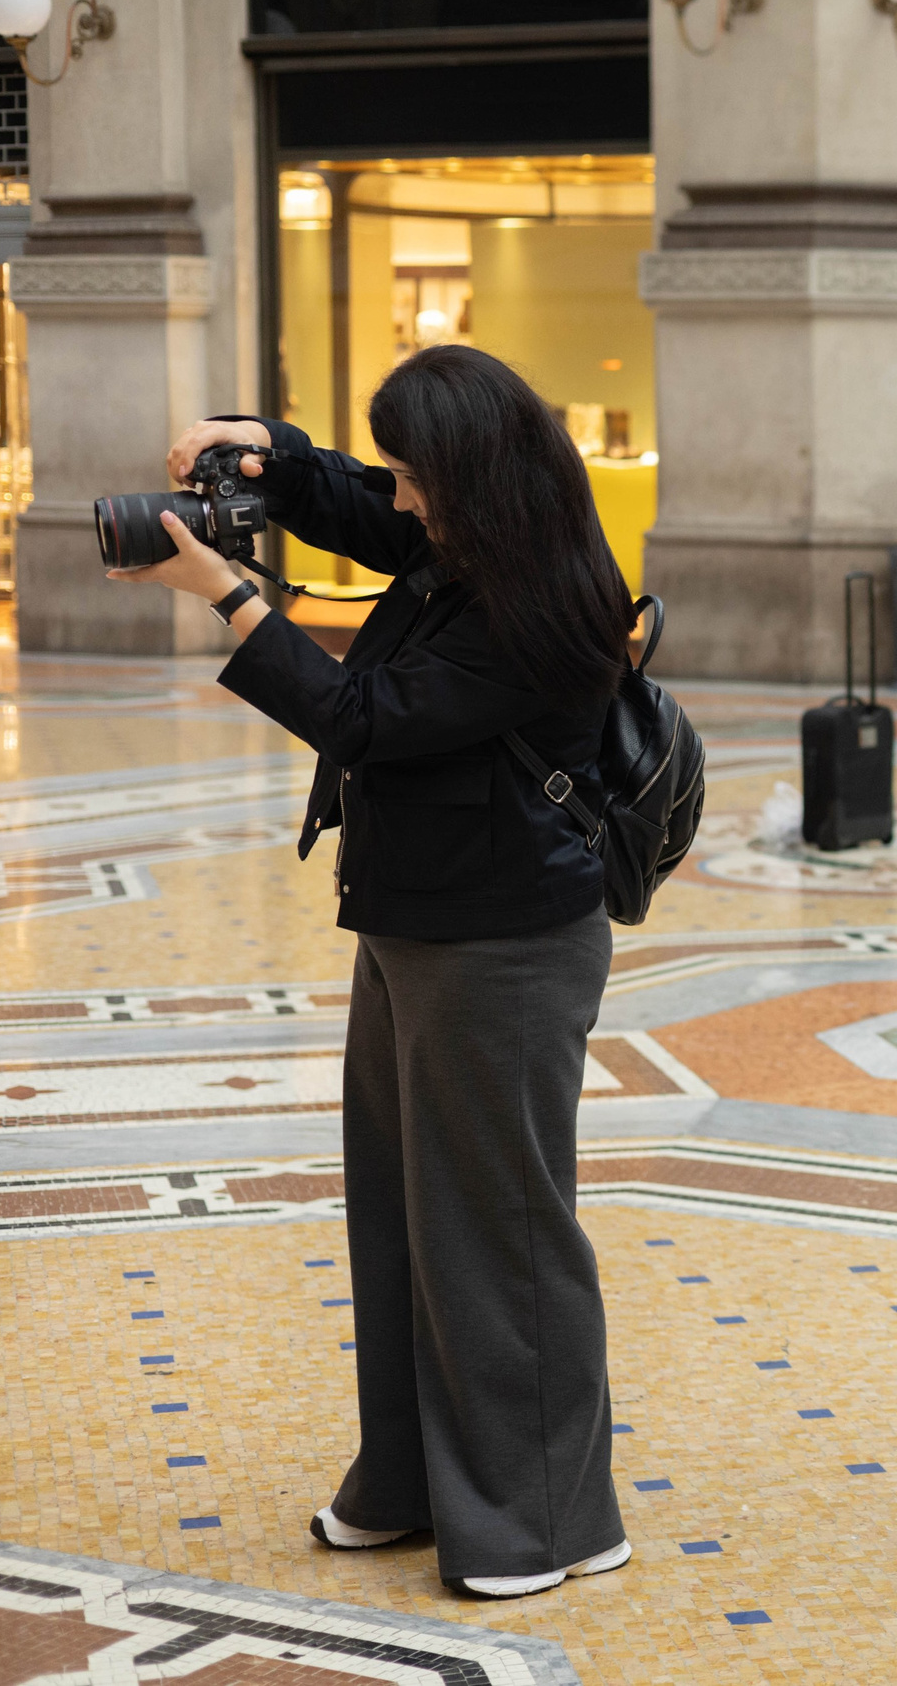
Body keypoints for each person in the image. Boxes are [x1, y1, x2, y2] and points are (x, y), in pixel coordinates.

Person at [108, 346, 636, 1598]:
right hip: (415, 918)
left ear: (466, 481)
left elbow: (365, 720)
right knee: (406, 1220)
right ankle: (410, 1483)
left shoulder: (541, 597)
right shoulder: (472, 543)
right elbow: (359, 509)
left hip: (503, 944)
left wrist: (232, 596)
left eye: (411, 477)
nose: (394, 499)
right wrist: (272, 456)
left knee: (501, 1230)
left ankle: (553, 1519)